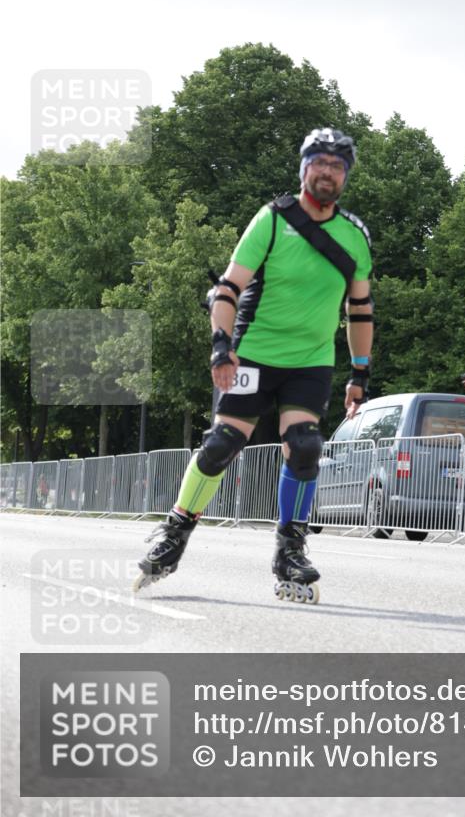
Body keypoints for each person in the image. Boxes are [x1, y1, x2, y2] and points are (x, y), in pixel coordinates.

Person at [134, 128, 374, 603]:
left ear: (344, 176)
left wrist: (359, 373)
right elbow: (228, 288)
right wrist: (221, 346)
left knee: (304, 446)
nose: (327, 171)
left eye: (337, 165)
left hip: (310, 363)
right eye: (319, 161)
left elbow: (361, 311)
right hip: (254, 354)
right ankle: (175, 532)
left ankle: (291, 549)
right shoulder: (271, 219)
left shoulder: (355, 236)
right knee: (223, 443)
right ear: (304, 168)